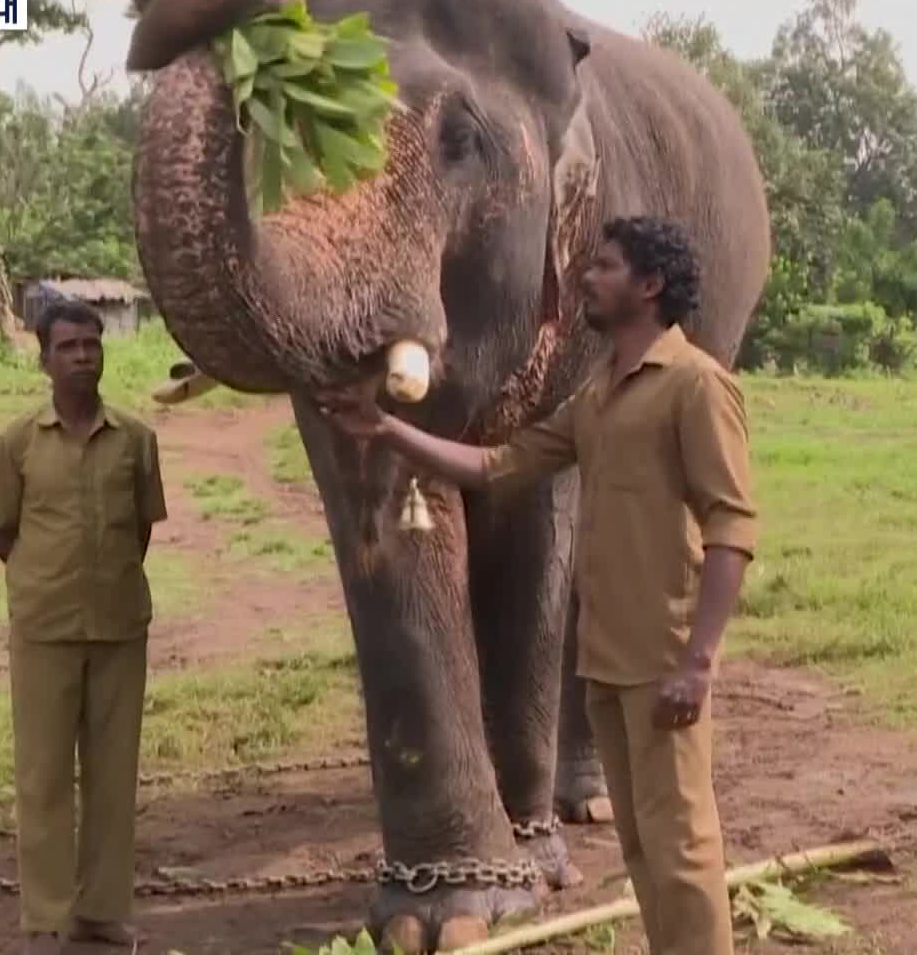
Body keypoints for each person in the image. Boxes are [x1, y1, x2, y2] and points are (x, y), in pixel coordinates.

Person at [316, 215, 757, 955]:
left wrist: (700, 660)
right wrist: (388, 432)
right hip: (606, 656)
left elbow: (733, 530)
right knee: (646, 849)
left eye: (607, 266)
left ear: (649, 287)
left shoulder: (696, 385)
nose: (588, 276)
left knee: (683, 846)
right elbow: (498, 465)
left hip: (665, 654)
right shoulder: (601, 393)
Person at [0, 300, 170, 953]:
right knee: (43, 778)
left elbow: (142, 529)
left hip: (120, 625)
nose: (83, 357)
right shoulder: (16, 445)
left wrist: (103, 580)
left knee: (114, 777)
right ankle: (46, 919)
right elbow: (1, 531)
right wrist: (50, 580)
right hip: (45, 627)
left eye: (92, 345)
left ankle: (104, 912)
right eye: (68, 347)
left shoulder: (137, 440)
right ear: (43, 360)